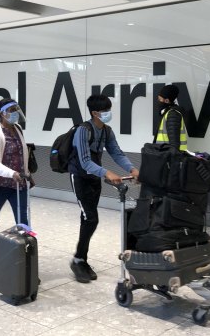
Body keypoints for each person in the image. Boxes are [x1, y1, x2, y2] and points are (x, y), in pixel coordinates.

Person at [68, 94, 139, 283]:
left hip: (94, 179)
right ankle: (78, 259)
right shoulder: (83, 131)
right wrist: (107, 173)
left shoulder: (107, 131)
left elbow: (116, 152)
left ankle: (81, 259)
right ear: (94, 113)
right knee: (90, 218)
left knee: (89, 219)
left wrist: (132, 169)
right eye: (105, 111)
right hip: (80, 177)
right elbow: (84, 162)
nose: (108, 113)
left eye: (109, 109)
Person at [0, 98, 33, 269]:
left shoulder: (18, 129)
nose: (16, 113)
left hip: (19, 185)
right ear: (2, 114)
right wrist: (12, 173)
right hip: (1, 185)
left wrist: (27, 175)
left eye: (17, 109)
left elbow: (22, 155)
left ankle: (27, 262)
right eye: (12, 110)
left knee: (23, 222)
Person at [156, 84, 188, 151]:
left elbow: (174, 145)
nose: (158, 101)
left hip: (169, 158)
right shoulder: (167, 112)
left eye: (160, 99)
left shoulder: (173, 114)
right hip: (165, 156)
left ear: (167, 100)